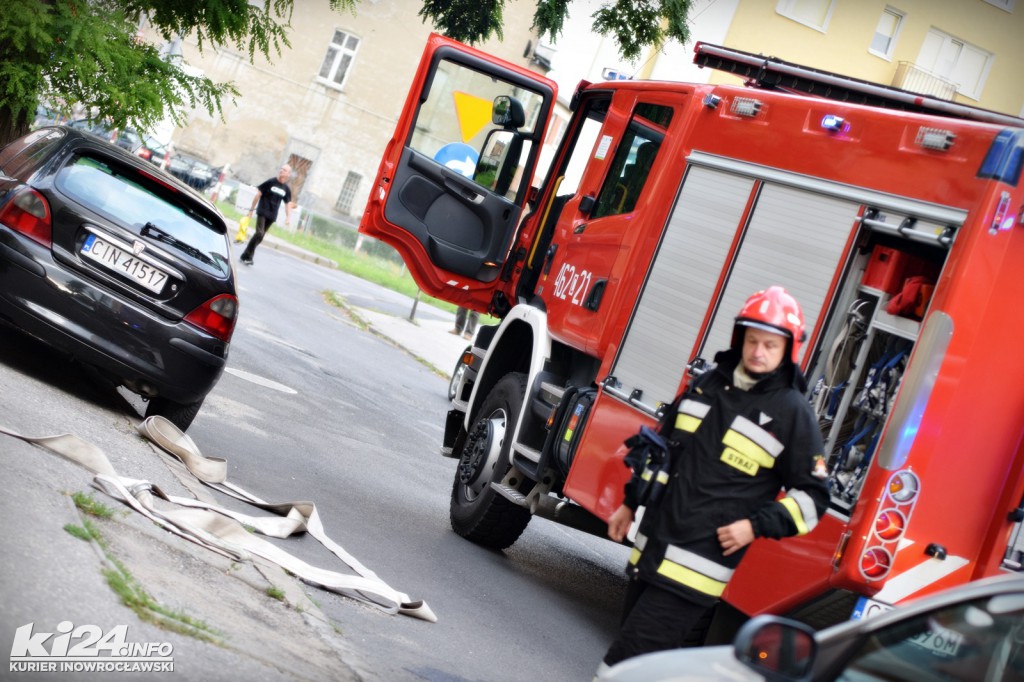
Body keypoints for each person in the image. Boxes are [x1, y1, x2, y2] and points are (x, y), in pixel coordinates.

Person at [598, 286, 830, 675]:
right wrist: (629, 502)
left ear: (788, 350)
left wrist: (754, 526)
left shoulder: (791, 412)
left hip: (695, 568)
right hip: (652, 549)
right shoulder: (706, 385)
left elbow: (813, 497)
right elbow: (660, 450)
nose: (758, 352)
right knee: (641, 667)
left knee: (621, 666)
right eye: (752, 341)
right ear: (740, 338)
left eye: (770, 345)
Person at [239, 164, 293, 265]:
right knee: (259, 233)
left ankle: (246, 255)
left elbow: (288, 204)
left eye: (284, 170)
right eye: (281, 168)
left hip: (272, 215)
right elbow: (258, 194)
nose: (281, 171)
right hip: (262, 211)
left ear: (288, 174)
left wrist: (288, 217)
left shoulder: (286, 189)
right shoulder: (271, 182)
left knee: (261, 236)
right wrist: (251, 210)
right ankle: (247, 256)